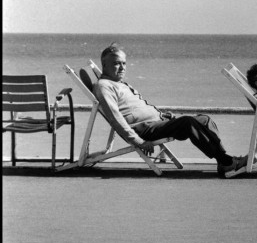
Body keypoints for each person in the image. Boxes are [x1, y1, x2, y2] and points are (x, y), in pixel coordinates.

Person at [93, 43, 247, 177]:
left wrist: (162, 116)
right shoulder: (105, 86)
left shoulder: (121, 83)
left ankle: (223, 160)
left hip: (157, 123)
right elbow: (115, 118)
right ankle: (227, 162)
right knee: (187, 123)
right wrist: (138, 141)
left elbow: (137, 108)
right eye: (116, 64)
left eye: (124, 63)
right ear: (104, 65)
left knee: (204, 120)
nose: (122, 68)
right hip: (145, 131)